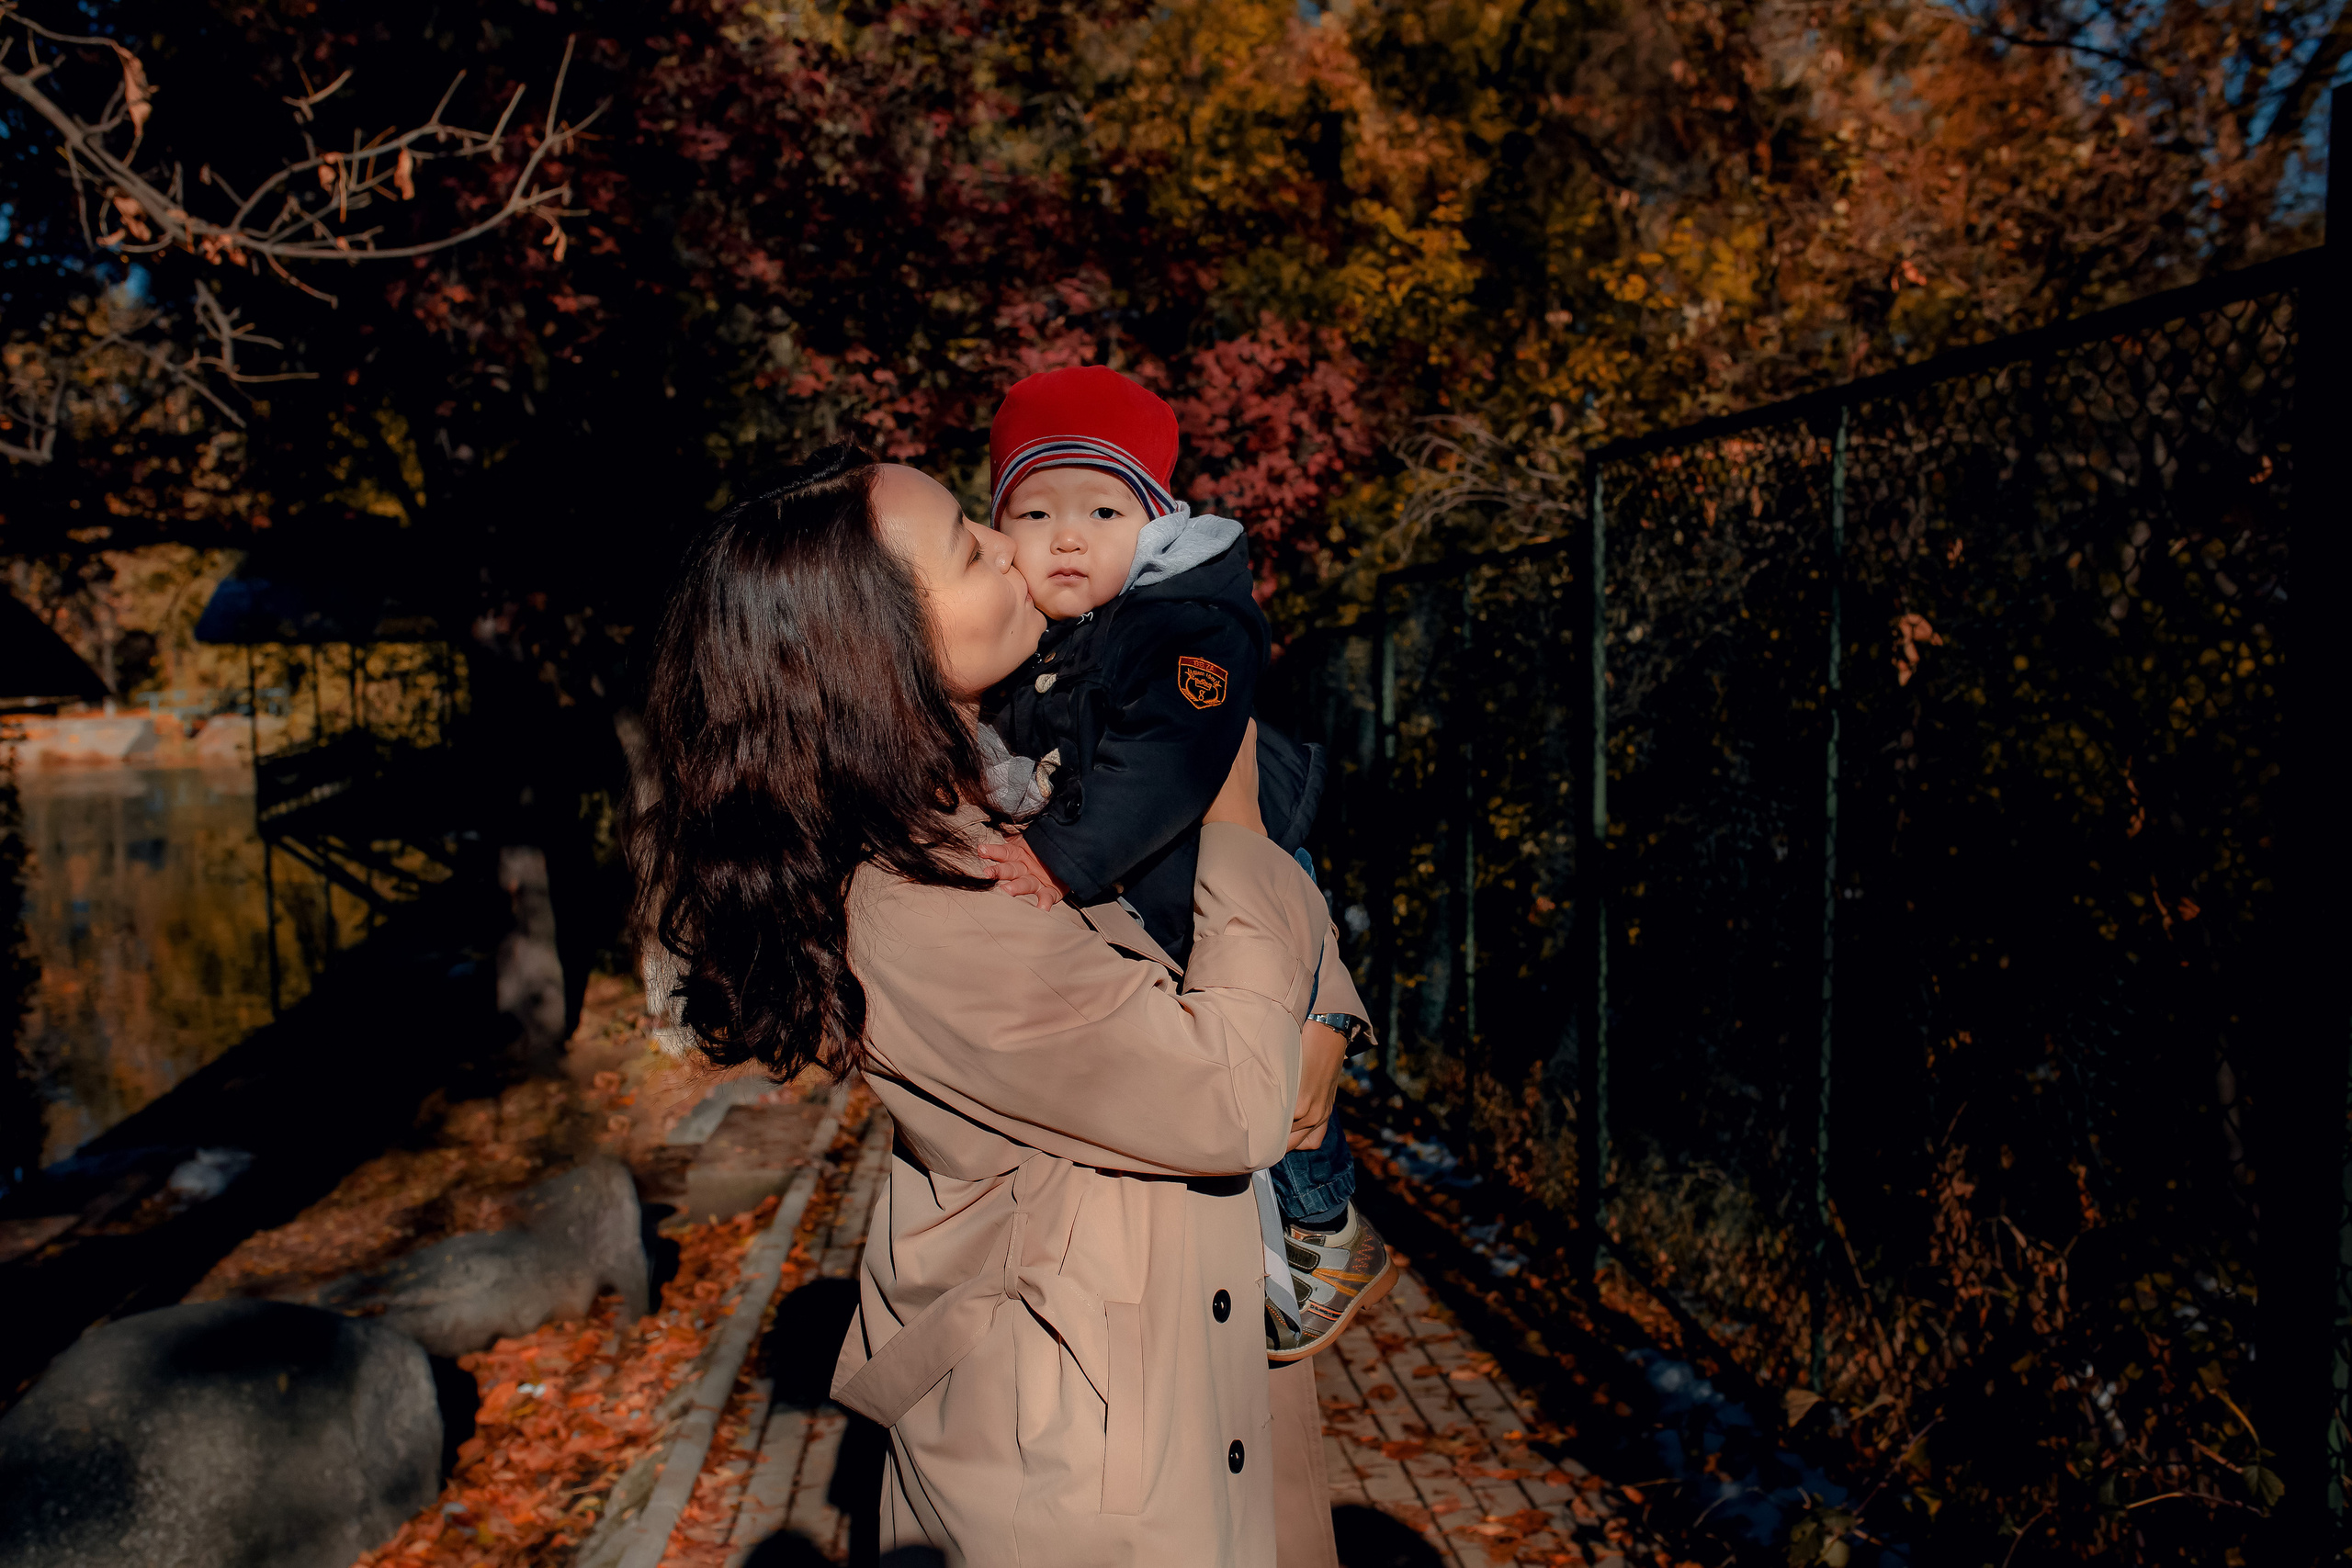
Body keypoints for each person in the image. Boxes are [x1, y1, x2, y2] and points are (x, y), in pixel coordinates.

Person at [628, 443, 1362, 1566]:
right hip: (1094, 1462)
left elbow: (1193, 931)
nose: (1018, 555)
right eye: (972, 551)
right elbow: (1230, 1093)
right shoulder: (915, 904)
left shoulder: (1016, 767)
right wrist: (1227, 804)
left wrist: (1322, 1010)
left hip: (1178, 1374)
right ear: (872, 652)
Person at [971, 366, 1395, 1360]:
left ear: (1156, 527)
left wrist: (1057, 859)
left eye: (1102, 509)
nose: (1066, 536)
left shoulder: (1182, 626)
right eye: (1033, 513)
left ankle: (1327, 1228)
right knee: (1244, 1077)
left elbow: (1163, 765)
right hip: (1163, 905)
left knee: (1282, 1079)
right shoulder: (1043, 645)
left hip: (1220, 870)